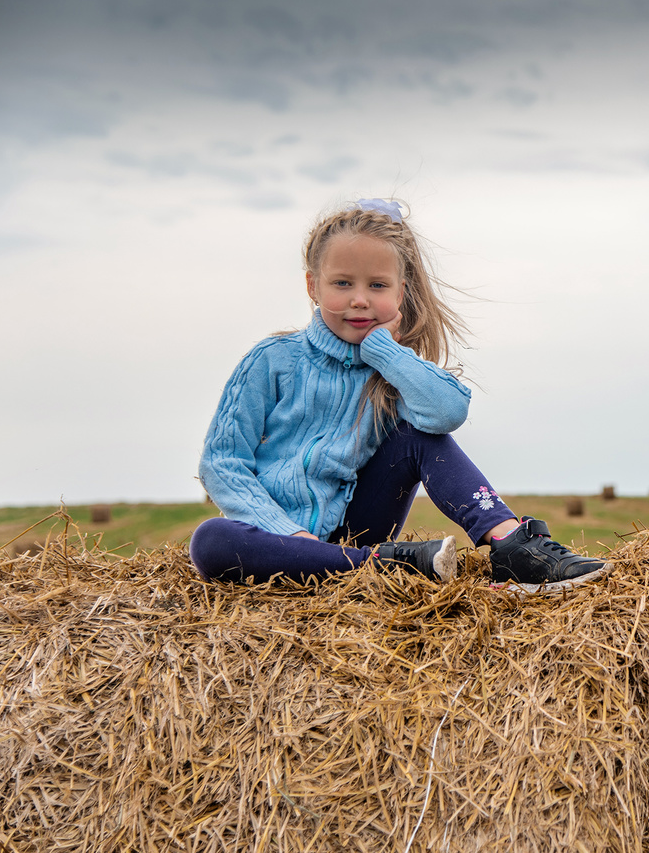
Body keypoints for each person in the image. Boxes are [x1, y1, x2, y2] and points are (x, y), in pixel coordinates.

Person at [189, 198, 610, 593]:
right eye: (342, 283)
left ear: (400, 293)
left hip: (357, 527)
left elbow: (446, 413)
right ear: (312, 286)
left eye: (377, 285)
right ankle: (379, 565)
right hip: (273, 539)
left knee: (417, 435)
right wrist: (289, 535)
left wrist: (385, 351)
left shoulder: (391, 371)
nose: (359, 299)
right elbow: (222, 462)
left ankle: (512, 545)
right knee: (210, 540)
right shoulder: (273, 360)